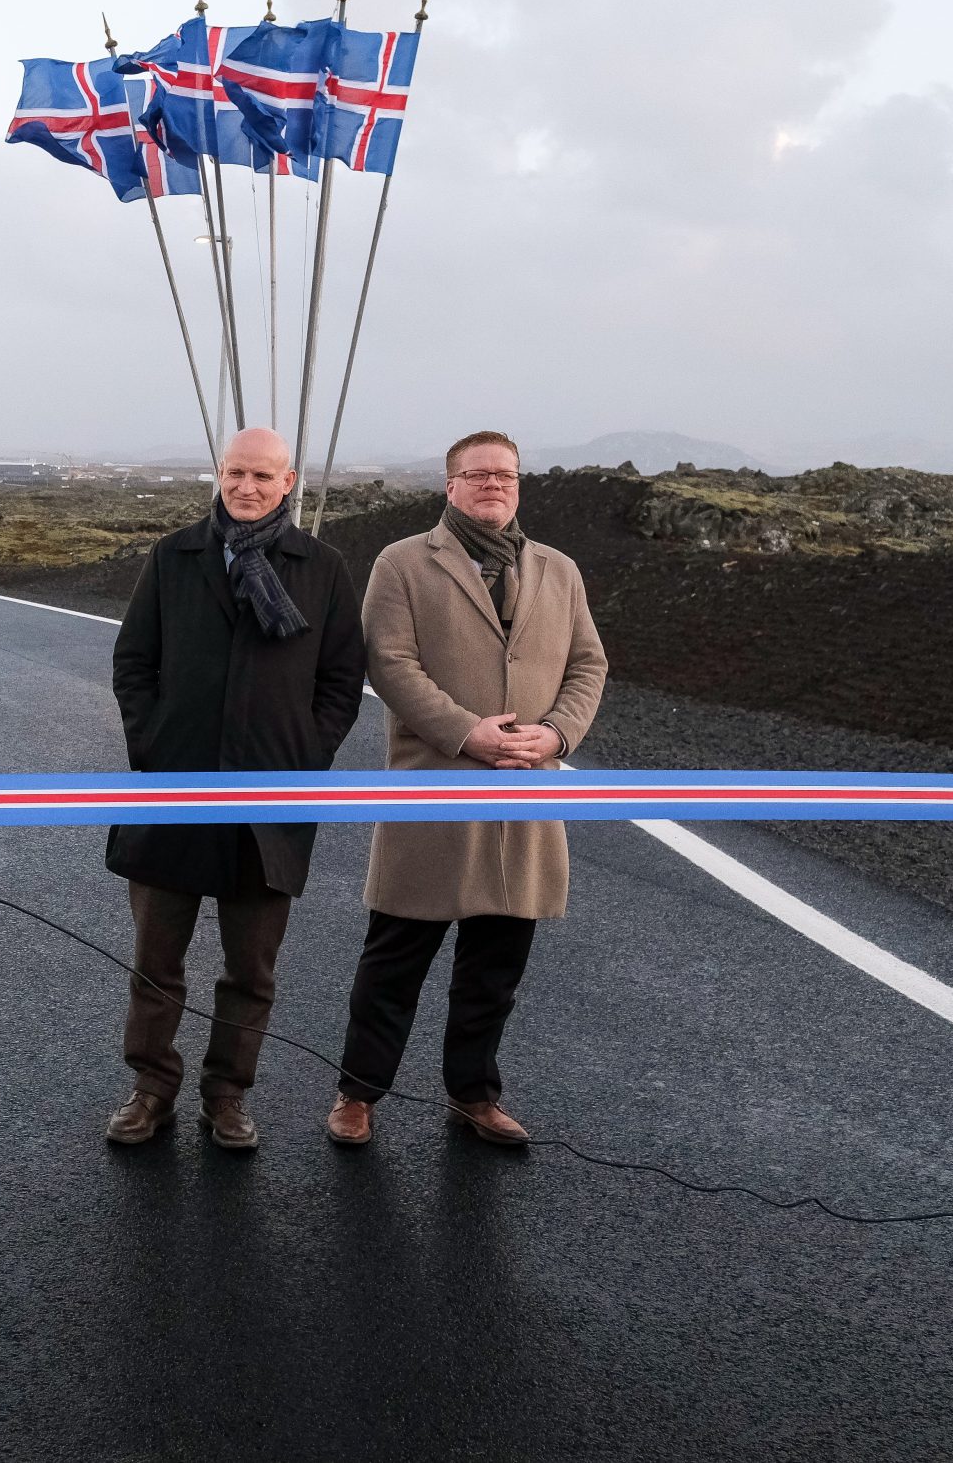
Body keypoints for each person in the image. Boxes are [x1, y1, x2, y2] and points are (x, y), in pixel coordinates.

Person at [327, 430, 606, 1148]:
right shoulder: (402, 563)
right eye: (477, 474)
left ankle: (473, 1092)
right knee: (395, 958)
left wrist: (557, 735)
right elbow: (389, 663)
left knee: (495, 967)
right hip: (435, 789)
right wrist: (467, 732)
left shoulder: (559, 570)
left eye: (505, 474)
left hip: (525, 794)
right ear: (448, 486)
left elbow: (587, 663)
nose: (493, 484)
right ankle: (358, 1094)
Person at [104, 427, 368, 1151]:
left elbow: (343, 679)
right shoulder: (174, 556)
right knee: (157, 958)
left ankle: (227, 1097)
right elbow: (133, 662)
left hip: (269, 802)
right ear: (219, 474)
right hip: (173, 792)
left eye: (262, 475)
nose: (246, 486)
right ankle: (151, 1087)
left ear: (289, 483)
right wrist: (155, 746)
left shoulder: (323, 568)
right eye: (235, 472)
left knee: (250, 968)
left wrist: (308, 753)